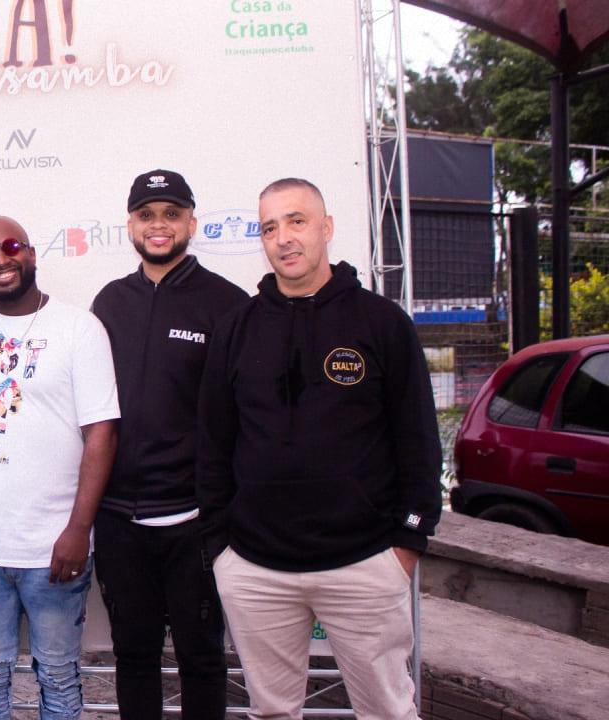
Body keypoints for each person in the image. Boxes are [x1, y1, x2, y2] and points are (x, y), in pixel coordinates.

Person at [197, 178, 442, 720]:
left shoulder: (383, 323)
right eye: (270, 227)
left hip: (365, 562)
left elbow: (419, 441)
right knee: (272, 711)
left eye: (297, 221)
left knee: (388, 712)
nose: (284, 238)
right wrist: (222, 547)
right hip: (255, 569)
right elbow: (214, 444)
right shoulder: (236, 329)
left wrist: (407, 542)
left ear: (326, 228)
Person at [0, 215, 119, 720]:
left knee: (59, 680)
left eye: (10, 246)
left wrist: (78, 530)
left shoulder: (79, 328)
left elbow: (102, 434)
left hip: (54, 550)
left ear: (32, 253)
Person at [89, 170, 248, 719]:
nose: (159, 225)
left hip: (195, 522)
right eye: (147, 215)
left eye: (172, 214)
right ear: (130, 225)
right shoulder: (109, 301)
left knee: (202, 659)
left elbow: (245, 415)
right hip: (118, 520)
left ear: (192, 223)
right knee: (133, 657)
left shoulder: (228, 304)